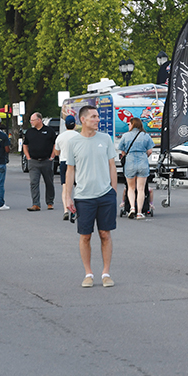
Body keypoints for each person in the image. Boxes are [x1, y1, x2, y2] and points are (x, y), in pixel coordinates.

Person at [64, 106, 118, 288]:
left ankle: (106, 273)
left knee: (105, 234)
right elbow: (70, 171)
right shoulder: (73, 143)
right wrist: (67, 196)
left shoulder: (106, 139)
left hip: (105, 194)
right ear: (83, 120)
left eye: (98, 116)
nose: (97, 120)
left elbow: (112, 166)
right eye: (93, 117)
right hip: (84, 196)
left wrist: (114, 192)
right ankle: (88, 273)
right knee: (85, 236)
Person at [118, 118, 153, 220]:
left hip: (130, 163)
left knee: (131, 188)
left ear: (133, 124)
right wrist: (143, 155)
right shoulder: (146, 136)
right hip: (142, 162)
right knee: (141, 189)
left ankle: (132, 208)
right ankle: (139, 212)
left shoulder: (125, 136)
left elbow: (122, 151)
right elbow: (150, 151)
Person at [23, 112, 57, 212]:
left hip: (46, 160)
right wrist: (28, 157)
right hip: (33, 161)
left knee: (49, 182)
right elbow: (25, 145)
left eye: (32, 120)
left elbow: (55, 144)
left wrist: (52, 156)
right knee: (34, 182)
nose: (31, 122)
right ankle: (36, 204)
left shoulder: (49, 131)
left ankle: (50, 202)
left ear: (39, 120)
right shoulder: (30, 132)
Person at [53, 115, 80, 222]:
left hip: (64, 161)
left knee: (65, 187)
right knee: (77, 186)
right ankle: (76, 208)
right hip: (77, 162)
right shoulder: (78, 136)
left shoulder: (60, 137)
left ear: (65, 125)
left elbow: (56, 152)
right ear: (75, 124)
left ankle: (65, 210)